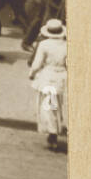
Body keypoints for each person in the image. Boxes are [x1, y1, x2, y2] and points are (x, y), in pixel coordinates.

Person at [27, 20, 67, 150]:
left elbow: (37, 63)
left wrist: (32, 73)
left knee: (48, 106)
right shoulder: (67, 45)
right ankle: (54, 130)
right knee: (56, 105)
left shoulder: (44, 45)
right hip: (61, 77)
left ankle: (52, 133)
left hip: (48, 77)